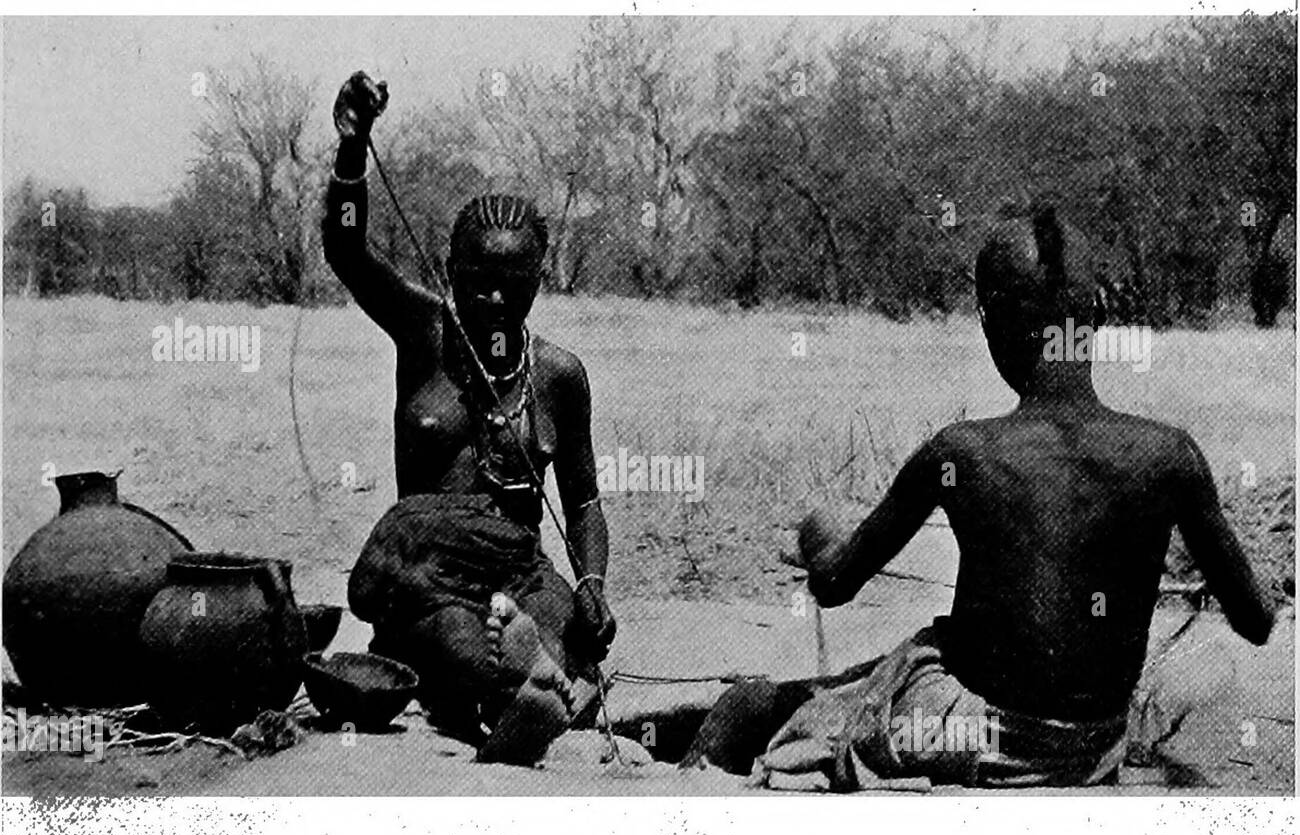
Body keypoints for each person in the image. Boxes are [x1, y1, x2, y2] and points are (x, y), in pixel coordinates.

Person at [684, 200, 1275, 788]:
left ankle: (693, 785)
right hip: (1091, 742)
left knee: (748, 708)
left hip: (969, 730)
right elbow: (1254, 619)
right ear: (1095, 315)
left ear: (992, 323)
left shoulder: (962, 454)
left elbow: (835, 586)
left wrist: (821, 541)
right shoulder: (1170, 456)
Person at [322, 71, 616, 760]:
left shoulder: (559, 375)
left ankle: (530, 679)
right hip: (428, 576)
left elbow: (585, 503)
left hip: (520, 565)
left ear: (538, 282)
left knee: (578, 645)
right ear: (449, 270)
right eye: (474, 281)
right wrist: (350, 153)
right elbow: (345, 249)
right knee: (465, 644)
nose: (491, 298)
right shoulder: (422, 333)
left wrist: (594, 585)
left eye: (511, 287)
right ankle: (512, 688)